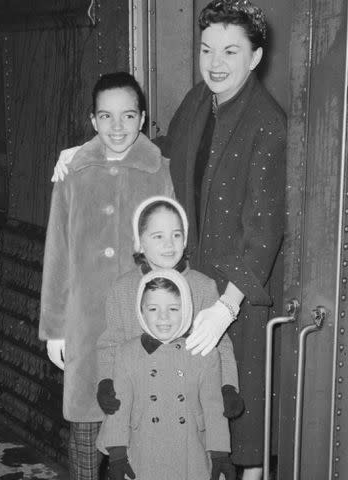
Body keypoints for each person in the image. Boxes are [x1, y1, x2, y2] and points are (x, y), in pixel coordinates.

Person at [52, 1, 286, 477]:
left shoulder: (268, 123)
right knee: (183, 428)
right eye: (206, 50)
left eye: (230, 52)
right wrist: (94, 149)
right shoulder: (200, 99)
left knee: (239, 429)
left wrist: (225, 307)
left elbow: (264, 230)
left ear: (255, 57)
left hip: (233, 297)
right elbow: (159, 152)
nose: (215, 63)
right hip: (186, 284)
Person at [39, 72, 174, 480]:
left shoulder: (158, 172)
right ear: (93, 120)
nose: (118, 127)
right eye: (106, 116)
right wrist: (56, 329)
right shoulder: (73, 174)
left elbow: (171, 251)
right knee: (84, 435)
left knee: (139, 436)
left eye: (128, 115)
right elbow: (57, 252)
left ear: (143, 118)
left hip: (140, 324)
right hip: (85, 329)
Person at [96, 196, 244, 425]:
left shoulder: (203, 287)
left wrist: (227, 386)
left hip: (187, 411)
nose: (169, 244)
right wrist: (106, 381)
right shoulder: (123, 288)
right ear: (140, 243)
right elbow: (111, 343)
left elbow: (220, 346)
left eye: (176, 235)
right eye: (158, 236)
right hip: (139, 410)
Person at [96, 269, 236, 480]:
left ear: (187, 310)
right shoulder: (126, 353)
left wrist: (220, 454)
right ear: (141, 312)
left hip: (191, 450)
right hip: (143, 449)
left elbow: (214, 407)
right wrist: (117, 455)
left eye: (173, 308)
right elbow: (119, 409)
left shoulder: (204, 352)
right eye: (153, 308)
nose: (163, 317)